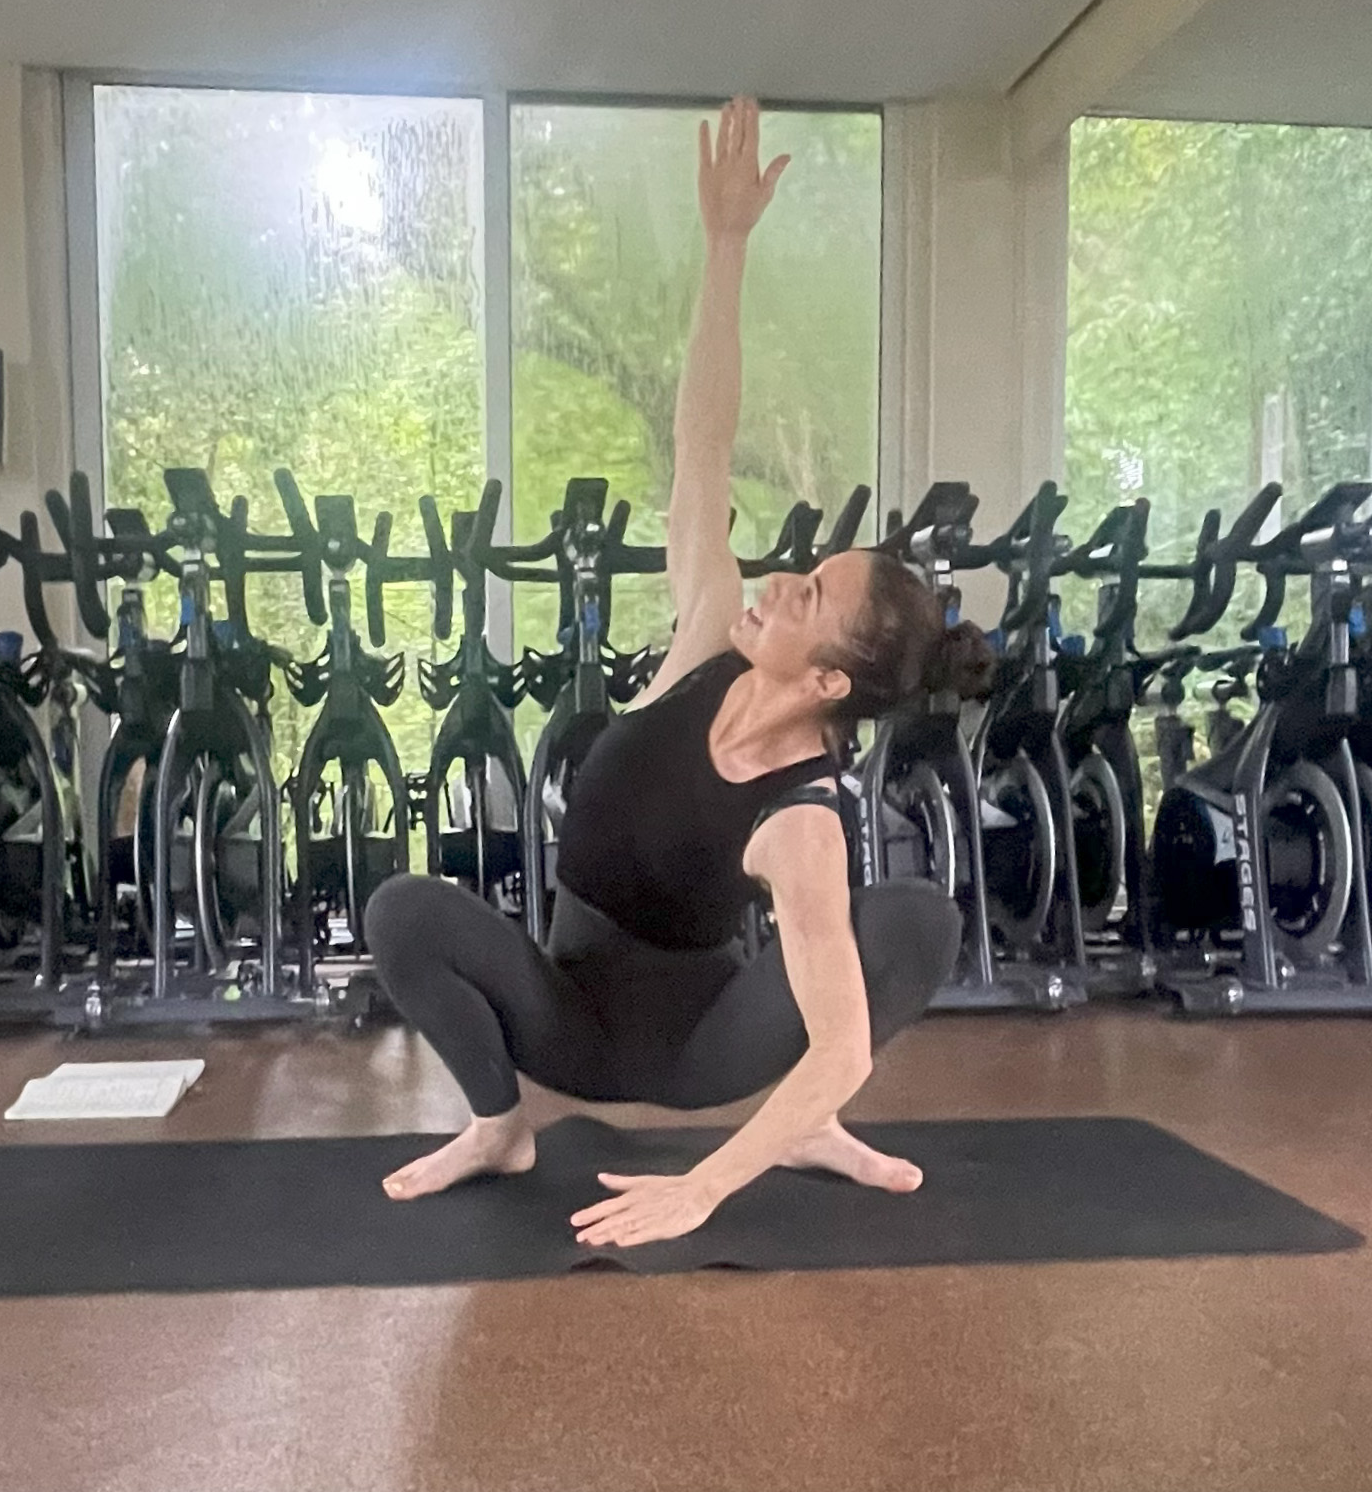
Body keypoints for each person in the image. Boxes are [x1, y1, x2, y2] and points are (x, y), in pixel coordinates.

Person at [362, 97, 994, 1250]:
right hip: (565, 1014)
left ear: (829, 684)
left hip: (706, 1051)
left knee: (914, 917)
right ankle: (499, 1124)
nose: (784, 580)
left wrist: (702, 1187)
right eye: (803, 568)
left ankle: (800, 1128)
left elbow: (842, 1036)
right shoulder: (709, 635)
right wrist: (724, 247)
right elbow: (699, 448)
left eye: (811, 595)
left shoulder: (805, 816)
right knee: (403, 907)